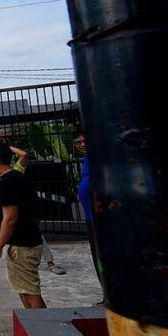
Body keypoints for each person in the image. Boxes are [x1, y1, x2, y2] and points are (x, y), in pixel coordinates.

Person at [0, 142, 47, 309]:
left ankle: (44, 324)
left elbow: (10, 219)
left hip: (23, 245)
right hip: (25, 242)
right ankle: (33, 322)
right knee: (23, 290)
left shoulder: (7, 183)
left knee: (30, 292)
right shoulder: (18, 178)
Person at [0, 145, 65, 275]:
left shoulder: (13, 175)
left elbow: (24, 154)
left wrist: (4, 146)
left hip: (23, 234)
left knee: (26, 283)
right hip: (19, 232)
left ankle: (50, 262)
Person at [76, 129, 105, 301]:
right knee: (98, 258)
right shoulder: (87, 160)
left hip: (100, 217)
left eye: (84, 141)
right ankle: (107, 294)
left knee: (104, 258)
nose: (82, 145)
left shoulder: (100, 158)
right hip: (90, 217)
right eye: (78, 142)